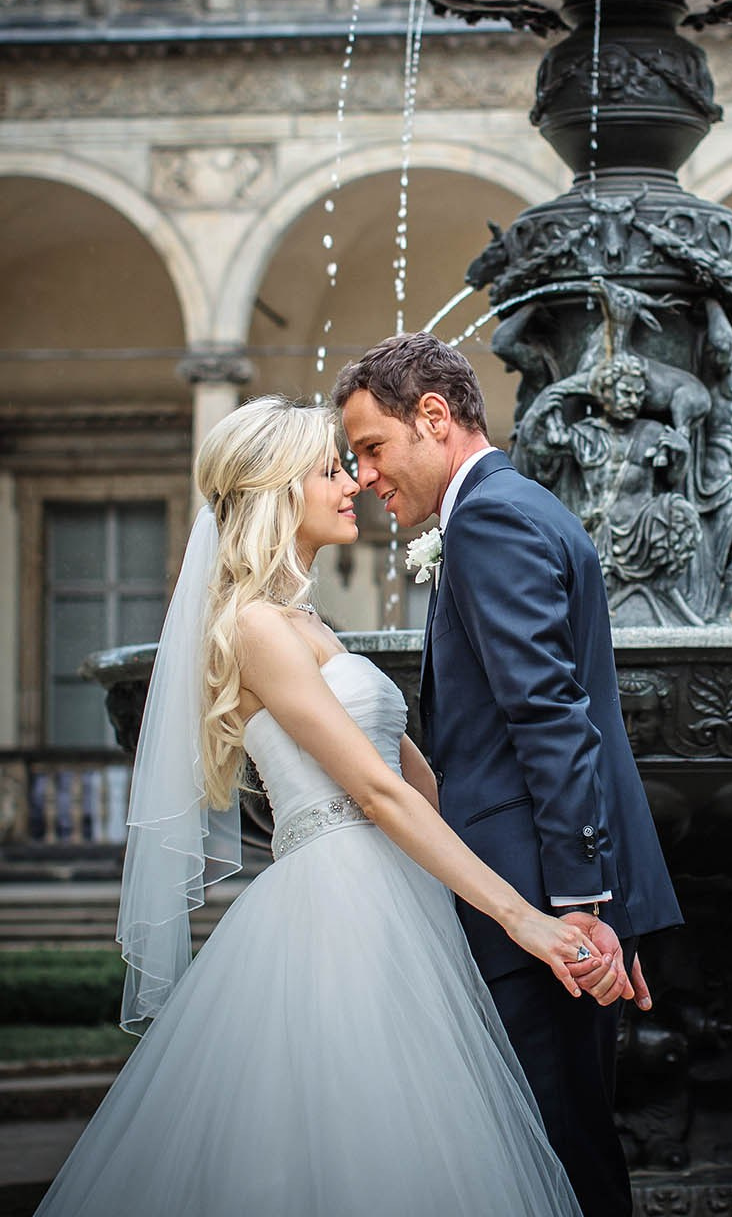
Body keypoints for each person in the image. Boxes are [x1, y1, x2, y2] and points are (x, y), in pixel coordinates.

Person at [36, 395, 595, 1217]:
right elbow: (374, 791)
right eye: (331, 470)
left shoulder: (311, 624)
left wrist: (545, 886)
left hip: (400, 896)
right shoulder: (253, 627)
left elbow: (423, 786)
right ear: (275, 490)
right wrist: (523, 920)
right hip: (338, 906)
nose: (354, 484)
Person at [335, 333, 683, 1217]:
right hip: (549, 890)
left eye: (373, 448)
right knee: (557, 1146)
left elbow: (549, 716)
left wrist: (578, 907)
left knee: (556, 1157)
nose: (368, 475)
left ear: (435, 417)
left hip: (536, 902)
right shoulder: (523, 506)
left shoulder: (489, 518)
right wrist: (598, 898)